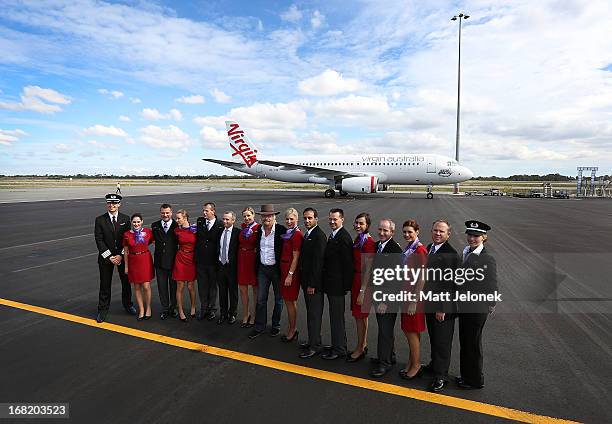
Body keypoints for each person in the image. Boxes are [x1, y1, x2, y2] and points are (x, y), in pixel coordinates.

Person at [455, 220, 497, 389]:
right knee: (465, 341)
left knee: (472, 343)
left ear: (484, 237)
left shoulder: (487, 258)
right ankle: (466, 375)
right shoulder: (467, 252)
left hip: (477, 308)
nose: (472, 238)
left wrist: (491, 303)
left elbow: (492, 283)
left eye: (476, 236)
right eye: (470, 235)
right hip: (465, 305)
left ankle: (475, 380)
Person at [423, 219, 459, 392]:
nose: (438, 233)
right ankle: (434, 365)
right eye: (435, 230)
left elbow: (451, 284)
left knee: (443, 341)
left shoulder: (451, 254)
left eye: (441, 232)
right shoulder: (431, 247)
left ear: (448, 234)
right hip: (430, 302)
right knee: (434, 338)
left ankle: (441, 376)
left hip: (443, 307)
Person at [94, 193, 135, 323]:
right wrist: (110, 257)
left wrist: (121, 255)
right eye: (109, 203)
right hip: (106, 258)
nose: (112, 205)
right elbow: (99, 240)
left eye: (114, 203)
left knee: (126, 282)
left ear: (119, 204)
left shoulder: (126, 219)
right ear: (107, 204)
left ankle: (128, 305)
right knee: (105, 284)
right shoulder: (100, 220)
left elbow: (128, 239)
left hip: (122, 257)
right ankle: (103, 310)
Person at [370, 218, 403, 377]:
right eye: (380, 230)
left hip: (387, 299)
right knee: (385, 329)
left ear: (392, 232)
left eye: (385, 230)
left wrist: (385, 301)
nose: (382, 233)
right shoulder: (378, 246)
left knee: (384, 330)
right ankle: (389, 356)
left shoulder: (395, 250)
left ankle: (385, 364)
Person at [248, 204, 287, 339]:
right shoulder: (258, 230)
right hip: (263, 269)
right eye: (264, 216)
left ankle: (275, 326)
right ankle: (259, 326)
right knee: (260, 300)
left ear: (274, 216)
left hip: (276, 270)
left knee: (278, 299)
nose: (266, 218)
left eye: (269, 216)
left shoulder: (282, 230)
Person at [321, 208, 353, 360]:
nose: (332, 222)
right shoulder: (334, 235)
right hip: (332, 283)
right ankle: (337, 344)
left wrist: (345, 287)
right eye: (330, 219)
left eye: (335, 219)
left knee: (337, 318)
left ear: (342, 219)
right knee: (334, 317)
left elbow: (347, 264)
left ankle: (340, 349)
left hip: (337, 286)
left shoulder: (344, 237)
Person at [398, 219, 427, 380]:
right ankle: (412, 361)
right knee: (410, 330)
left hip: (413, 297)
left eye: (410, 232)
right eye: (405, 232)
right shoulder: (410, 248)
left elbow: (422, 277)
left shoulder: (419, 250)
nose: (407, 234)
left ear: (417, 232)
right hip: (406, 293)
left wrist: (414, 301)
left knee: (411, 331)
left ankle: (416, 365)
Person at [298, 208, 328, 359]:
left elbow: (318, 263)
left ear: (316, 218)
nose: (307, 221)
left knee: (314, 315)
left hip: (313, 285)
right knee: (311, 313)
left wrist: (312, 284)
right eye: (305, 218)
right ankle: (314, 340)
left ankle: (314, 346)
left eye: (310, 218)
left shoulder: (319, 236)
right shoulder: (309, 234)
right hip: (307, 282)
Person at [347, 212, 376, 362]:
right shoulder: (359, 239)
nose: (358, 225)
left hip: (363, 282)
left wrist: (363, 291)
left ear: (367, 226)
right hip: (356, 279)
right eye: (357, 222)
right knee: (359, 316)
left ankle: (360, 348)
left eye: (361, 223)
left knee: (361, 316)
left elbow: (369, 268)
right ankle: (362, 344)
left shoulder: (368, 242)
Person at [123, 213, 155, 320]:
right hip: (133, 261)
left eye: (138, 222)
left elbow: (152, 242)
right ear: (131, 223)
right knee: (137, 287)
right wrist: (126, 267)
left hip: (145, 259)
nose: (136, 224)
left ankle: (148, 307)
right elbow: (126, 251)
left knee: (146, 286)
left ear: (142, 222)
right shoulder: (127, 234)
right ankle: (141, 309)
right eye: (134, 222)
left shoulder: (147, 232)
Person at [196, 202, 224, 321]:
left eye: (207, 211)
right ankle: (203, 309)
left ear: (213, 211)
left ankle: (212, 309)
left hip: (213, 262)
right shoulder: (200, 221)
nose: (204, 213)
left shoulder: (220, 224)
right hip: (201, 260)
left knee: (213, 287)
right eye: (203, 211)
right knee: (202, 286)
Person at [279, 208, 303, 342]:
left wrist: (290, 274)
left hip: (290, 271)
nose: (289, 221)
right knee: (288, 301)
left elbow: (296, 257)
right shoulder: (289, 233)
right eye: (287, 219)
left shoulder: (297, 235)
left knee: (290, 302)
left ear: (296, 219)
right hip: (284, 269)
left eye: (291, 219)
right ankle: (291, 328)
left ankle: (293, 330)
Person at [151, 203, 178, 320]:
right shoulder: (155, 225)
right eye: (163, 213)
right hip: (160, 262)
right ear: (160, 213)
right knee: (162, 287)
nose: (165, 215)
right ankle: (165, 309)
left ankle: (173, 308)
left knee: (174, 287)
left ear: (171, 213)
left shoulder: (177, 226)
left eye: (167, 213)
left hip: (173, 262)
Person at [216, 211, 240, 325]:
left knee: (233, 292)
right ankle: (223, 314)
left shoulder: (237, 233)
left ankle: (233, 314)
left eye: (227, 219)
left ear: (233, 220)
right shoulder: (219, 231)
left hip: (232, 267)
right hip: (221, 266)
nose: (225, 221)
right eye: (224, 219)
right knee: (222, 292)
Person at [173, 210, 197, 322]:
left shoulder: (195, 229)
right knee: (180, 286)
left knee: (191, 286)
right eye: (176, 218)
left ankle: (193, 306)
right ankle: (181, 311)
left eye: (178, 218)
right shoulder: (176, 230)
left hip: (191, 259)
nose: (176, 220)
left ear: (185, 218)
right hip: (180, 258)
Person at [237, 207, 259, 328]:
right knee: (243, 289)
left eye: (249, 216)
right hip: (242, 258)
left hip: (252, 259)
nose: (246, 218)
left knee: (255, 289)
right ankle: (246, 314)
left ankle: (255, 315)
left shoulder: (258, 228)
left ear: (253, 215)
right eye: (245, 216)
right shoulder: (242, 227)